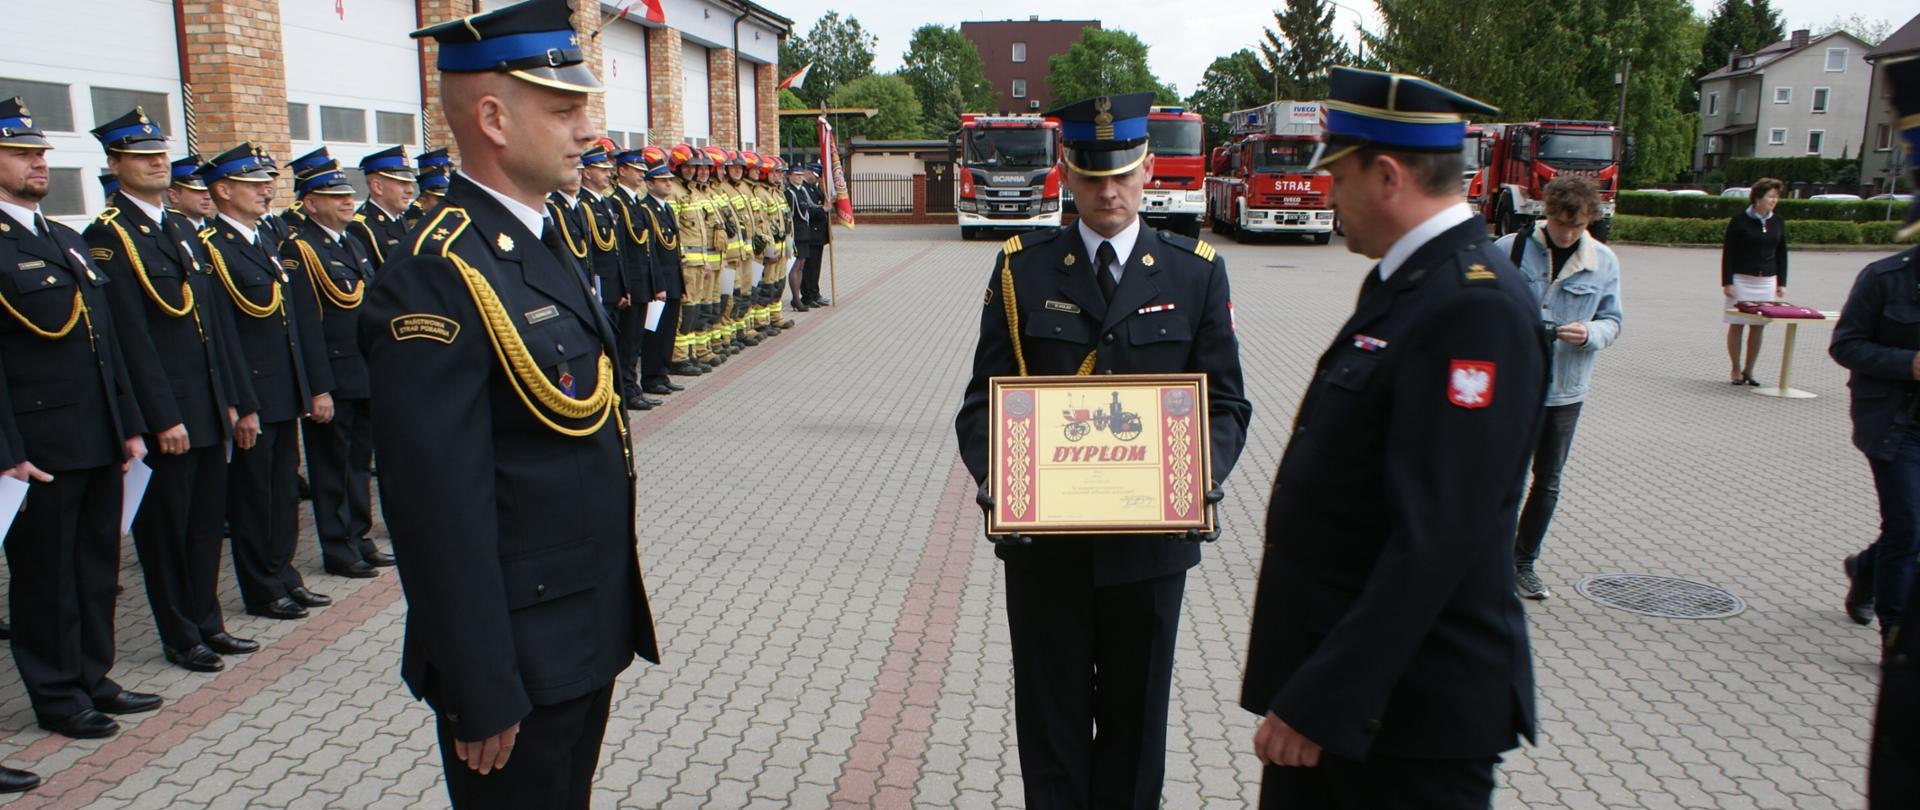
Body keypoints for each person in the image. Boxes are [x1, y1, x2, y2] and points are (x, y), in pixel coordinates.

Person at [364, 1, 661, 805]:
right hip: (517, 660)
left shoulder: (535, 238)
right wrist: (478, 682)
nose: (586, 132)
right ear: (492, 118)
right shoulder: (438, 272)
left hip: (578, 630)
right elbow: (435, 505)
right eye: (564, 110)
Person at [1239, 67, 1547, 808]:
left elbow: (1435, 538)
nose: (1328, 196)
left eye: (1335, 177)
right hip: (1364, 705)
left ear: (1385, 176)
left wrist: (1323, 702)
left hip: (1404, 724)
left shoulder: (1474, 306)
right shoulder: (1413, 282)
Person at [954, 91, 1251, 809]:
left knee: (1135, 727)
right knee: (1050, 730)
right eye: (1090, 175)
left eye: (1121, 172)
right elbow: (980, 405)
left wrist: (1194, 473)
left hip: (1147, 552)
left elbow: (1227, 404)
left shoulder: (1194, 272)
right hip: (1046, 548)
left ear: (1149, 170)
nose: (1107, 190)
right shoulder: (1022, 269)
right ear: (1066, 172)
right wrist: (1002, 475)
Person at [0, 96, 164, 746]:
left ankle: (94, 676)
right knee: (47, 580)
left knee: (97, 569)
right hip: (38, 445)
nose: (39, 160)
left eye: (40, 151)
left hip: (97, 438)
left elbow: (106, 345)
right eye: (21, 152)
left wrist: (126, 425)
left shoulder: (63, 239)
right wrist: (6, 450)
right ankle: (57, 694)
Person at [84, 107, 263, 674]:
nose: (157, 162)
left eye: (160, 152)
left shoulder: (180, 229)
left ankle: (208, 623)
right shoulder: (109, 236)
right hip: (172, 416)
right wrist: (161, 417)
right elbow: (132, 340)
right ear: (115, 165)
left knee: (206, 526)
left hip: (208, 408)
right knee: (167, 533)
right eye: (141, 156)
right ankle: (180, 636)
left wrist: (234, 399)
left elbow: (212, 326)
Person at [198, 142, 336, 621]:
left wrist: (308, 387)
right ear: (222, 190)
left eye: (266, 182)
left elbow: (291, 327)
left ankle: (284, 577)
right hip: (254, 394)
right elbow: (222, 337)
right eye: (254, 184)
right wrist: (240, 402)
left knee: (281, 495)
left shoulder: (261, 240)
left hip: (282, 390)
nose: (266, 190)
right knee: (254, 500)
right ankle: (262, 589)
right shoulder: (212, 249)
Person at [1494, 175, 1623, 600]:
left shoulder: (1603, 261)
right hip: (1512, 385)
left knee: (1547, 480)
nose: (1566, 232)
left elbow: (1613, 320)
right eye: (1558, 222)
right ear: (1544, 213)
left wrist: (1589, 333)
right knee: (1498, 476)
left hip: (1565, 389)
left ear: (1589, 220)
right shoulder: (1509, 248)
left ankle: (1523, 562)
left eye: (1576, 225)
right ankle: (1486, 560)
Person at [280, 148, 391, 579]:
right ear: (310, 203)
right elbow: (306, 325)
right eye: (334, 195)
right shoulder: (301, 249)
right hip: (333, 378)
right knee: (331, 468)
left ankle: (359, 537)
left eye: (349, 193)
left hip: (363, 372)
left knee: (358, 463)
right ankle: (338, 547)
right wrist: (317, 388)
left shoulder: (354, 242)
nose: (348, 200)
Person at [630, 151, 687, 396]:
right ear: (649, 183)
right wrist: (657, 284)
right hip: (658, 280)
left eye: (669, 180)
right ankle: (651, 379)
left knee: (668, 331)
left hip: (672, 277)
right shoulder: (646, 209)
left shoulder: (666, 209)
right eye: (662, 180)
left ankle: (662, 373)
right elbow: (650, 250)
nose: (668, 183)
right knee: (654, 333)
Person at [1722, 178, 1788, 386]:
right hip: (1741, 279)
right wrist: (1727, 281)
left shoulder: (1777, 222)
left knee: (1758, 326)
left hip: (1766, 280)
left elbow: (1781, 253)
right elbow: (1729, 252)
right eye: (1770, 197)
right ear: (1758, 198)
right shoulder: (1739, 221)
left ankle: (1749, 369)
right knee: (1737, 324)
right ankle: (1735, 368)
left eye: (1776, 198)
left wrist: (1781, 282)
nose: (1773, 201)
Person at [348, 145, 417, 271]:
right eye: (402, 183)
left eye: (410, 183)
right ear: (377, 187)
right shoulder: (361, 228)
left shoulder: (399, 219)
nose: (411, 190)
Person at [165, 154, 214, 229]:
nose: (207, 197)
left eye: (208, 190)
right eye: (198, 191)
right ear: (173, 195)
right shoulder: (168, 230)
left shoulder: (218, 229)